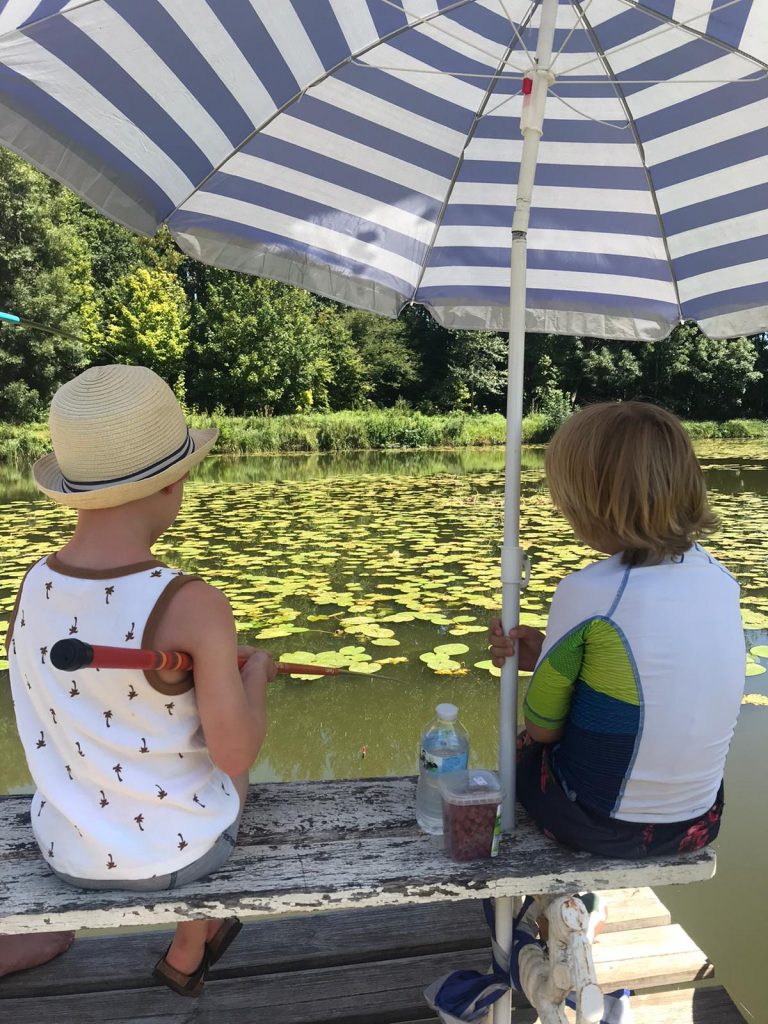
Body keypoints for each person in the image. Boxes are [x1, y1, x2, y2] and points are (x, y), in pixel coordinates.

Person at [5, 364, 275, 996]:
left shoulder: (32, 586)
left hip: (65, 850)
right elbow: (236, 749)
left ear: (73, 492)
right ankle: (189, 940)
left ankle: (190, 946)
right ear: (175, 481)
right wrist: (254, 676)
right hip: (171, 858)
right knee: (230, 774)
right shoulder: (193, 603)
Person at [490, 401, 744, 859]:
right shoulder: (724, 581)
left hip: (598, 825)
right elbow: (661, 674)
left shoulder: (588, 591)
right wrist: (548, 653)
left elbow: (542, 727)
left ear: (595, 505)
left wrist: (545, 669)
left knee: (520, 748)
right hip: (698, 822)